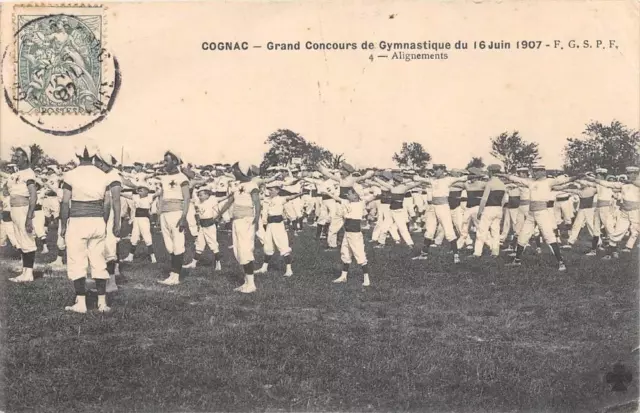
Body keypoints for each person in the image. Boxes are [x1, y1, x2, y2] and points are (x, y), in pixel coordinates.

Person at [61, 145, 121, 313]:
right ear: (94, 155)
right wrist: (103, 220)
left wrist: (63, 224)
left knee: (77, 261)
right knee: (98, 260)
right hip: (97, 221)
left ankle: (81, 303)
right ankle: (102, 303)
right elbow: (107, 203)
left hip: (77, 221)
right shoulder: (103, 175)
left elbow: (65, 202)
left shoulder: (70, 174)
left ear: (77, 155)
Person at [501, 164, 578, 271]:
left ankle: (561, 262)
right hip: (531, 214)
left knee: (549, 236)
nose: (535, 173)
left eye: (537, 171)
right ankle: (517, 260)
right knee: (523, 236)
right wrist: (503, 174)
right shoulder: (531, 182)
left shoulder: (548, 181)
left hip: (542, 213)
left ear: (543, 171)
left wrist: (577, 176)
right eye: (534, 171)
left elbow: (563, 181)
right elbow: (516, 179)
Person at [326, 187, 373, 286]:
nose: (347, 195)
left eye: (349, 194)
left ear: (355, 195)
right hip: (347, 233)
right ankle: (343, 277)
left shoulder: (360, 204)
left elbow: (371, 198)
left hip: (355, 234)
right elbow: (337, 198)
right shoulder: (347, 203)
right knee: (345, 254)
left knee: (359, 255)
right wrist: (326, 192)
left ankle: (366, 279)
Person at [156, 150, 191, 286]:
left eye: (167, 161)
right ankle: (173, 273)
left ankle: (175, 276)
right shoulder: (164, 178)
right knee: (169, 246)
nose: (164, 163)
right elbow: (162, 197)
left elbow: (187, 198)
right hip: (165, 213)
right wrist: (159, 215)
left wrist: (183, 217)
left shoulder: (182, 178)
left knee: (178, 244)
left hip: (176, 213)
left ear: (175, 162)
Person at [255, 180, 303, 276]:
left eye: (272, 190)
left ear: (277, 191)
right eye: (269, 190)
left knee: (283, 245)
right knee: (268, 246)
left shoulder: (280, 199)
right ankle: (264, 267)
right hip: (269, 226)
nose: (270, 191)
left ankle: (289, 270)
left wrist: (299, 194)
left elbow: (290, 197)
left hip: (278, 225)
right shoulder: (266, 200)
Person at [227, 161, 261, 293]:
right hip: (237, 220)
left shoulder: (252, 185)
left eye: (235, 170)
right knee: (239, 250)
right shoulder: (237, 186)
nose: (233, 172)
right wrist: (218, 215)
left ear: (242, 171)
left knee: (245, 249)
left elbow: (257, 203)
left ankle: (251, 284)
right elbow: (231, 201)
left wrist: (257, 219)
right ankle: (246, 282)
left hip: (247, 220)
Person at [7, 146, 38, 283]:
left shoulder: (29, 173)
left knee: (27, 240)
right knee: (20, 240)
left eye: (18, 156)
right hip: (14, 209)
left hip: (23, 209)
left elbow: (33, 195)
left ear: (25, 158)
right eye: (15, 156)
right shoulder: (16, 173)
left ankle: (29, 273)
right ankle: (25, 271)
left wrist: (29, 216)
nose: (15, 158)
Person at [474, 164, 507, 257]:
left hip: (489, 209)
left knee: (482, 231)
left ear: (491, 172)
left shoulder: (490, 183)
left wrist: (480, 211)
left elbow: (484, 199)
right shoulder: (502, 184)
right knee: (495, 231)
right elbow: (504, 200)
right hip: (498, 209)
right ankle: (495, 252)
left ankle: (477, 252)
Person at [121, 182, 158, 263]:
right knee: (134, 237)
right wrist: (120, 193)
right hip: (136, 219)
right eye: (139, 189)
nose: (140, 190)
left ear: (147, 191)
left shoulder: (149, 197)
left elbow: (157, 194)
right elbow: (127, 195)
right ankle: (130, 256)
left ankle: (153, 257)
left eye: (143, 189)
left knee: (147, 236)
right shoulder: (136, 197)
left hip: (144, 219)